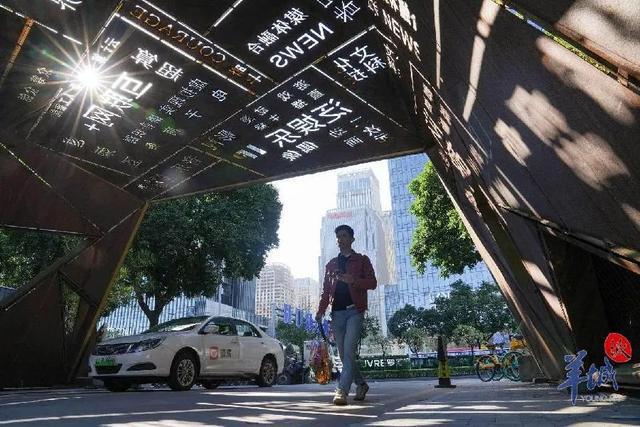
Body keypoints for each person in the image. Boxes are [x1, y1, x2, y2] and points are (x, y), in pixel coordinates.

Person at [315, 224, 377, 405]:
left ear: (352, 239)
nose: (340, 239)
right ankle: (361, 384)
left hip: (354, 311)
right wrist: (320, 311)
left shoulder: (362, 260)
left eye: (343, 236)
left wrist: (353, 280)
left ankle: (342, 391)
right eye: (338, 237)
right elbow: (326, 291)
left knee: (348, 352)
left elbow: (372, 283)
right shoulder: (331, 265)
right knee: (344, 355)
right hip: (337, 314)